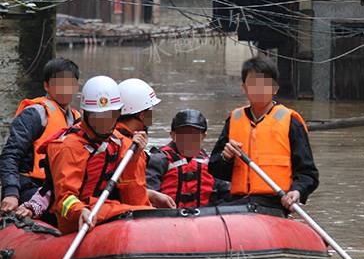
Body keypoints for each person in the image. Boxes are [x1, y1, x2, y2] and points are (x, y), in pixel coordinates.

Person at [39, 75, 152, 234]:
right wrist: (80, 211)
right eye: (99, 117)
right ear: (86, 114)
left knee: (145, 212)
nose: (105, 122)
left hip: (108, 211)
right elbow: (64, 199)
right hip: (78, 219)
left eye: (110, 116)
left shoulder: (122, 144)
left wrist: (134, 162)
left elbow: (134, 197)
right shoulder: (69, 147)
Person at [208, 55, 319, 215]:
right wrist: (226, 157)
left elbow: (308, 174)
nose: (258, 89)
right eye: (253, 84)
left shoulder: (290, 121)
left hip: (273, 205)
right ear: (244, 88)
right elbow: (216, 169)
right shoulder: (234, 120)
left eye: (264, 84)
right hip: (237, 203)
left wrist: (297, 191)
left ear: (275, 88)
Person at [0, 58, 80, 213]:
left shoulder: (78, 119)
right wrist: (11, 192)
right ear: (46, 86)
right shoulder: (35, 114)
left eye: (69, 84)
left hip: (61, 187)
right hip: (30, 186)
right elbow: (10, 155)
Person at [146, 109, 230, 208]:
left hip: (204, 217)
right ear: (173, 136)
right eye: (183, 133)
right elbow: (147, 193)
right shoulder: (158, 161)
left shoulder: (210, 164)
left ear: (203, 136)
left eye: (194, 134)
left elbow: (225, 194)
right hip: (167, 217)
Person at [118, 78, 176, 209]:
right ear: (143, 115)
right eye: (150, 112)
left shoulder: (113, 138)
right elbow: (132, 196)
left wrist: (151, 195)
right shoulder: (130, 148)